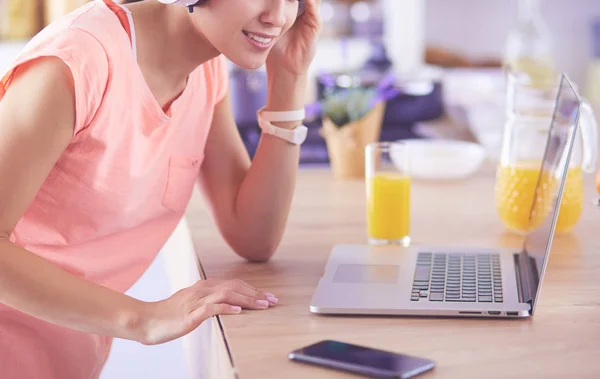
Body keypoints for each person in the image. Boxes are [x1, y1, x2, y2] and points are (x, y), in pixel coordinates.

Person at [0, 0, 321, 377]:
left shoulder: (206, 69)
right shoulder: (76, 62)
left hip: (64, 358)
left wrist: (288, 78)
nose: (278, 16)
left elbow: (254, 235)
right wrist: (146, 318)